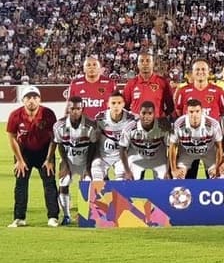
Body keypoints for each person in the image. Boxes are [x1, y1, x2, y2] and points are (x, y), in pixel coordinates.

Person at [7, 86, 60, 228]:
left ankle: (53, 217)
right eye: (28, 97)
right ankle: (19, 218)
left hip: (45, 152)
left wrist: (49, 159)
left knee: (49, 184)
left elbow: (54, 138)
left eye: (35, 97)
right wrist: (19, 160)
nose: (31, 100)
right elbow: (11, 138)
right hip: (24, 152)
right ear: (22, 100)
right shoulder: (15, 115)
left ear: (40, 99)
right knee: (20, 184)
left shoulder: (48, 114)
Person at [174, 58, 224, 179]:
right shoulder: (183, 91)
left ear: (209, 72)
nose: (200, 72)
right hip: (188, 144)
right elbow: (178, 111)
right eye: (197, 69)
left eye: (203, 69)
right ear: (192, 72)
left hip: (210, 143)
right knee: (187, 178)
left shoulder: (218, 91)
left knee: (215, 178)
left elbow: (223, 113)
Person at [52, 96, 98, 225]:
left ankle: (84, 214)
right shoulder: (59, 125)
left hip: (85, 161)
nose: (75, 111)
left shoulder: (91, 126)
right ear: (68, 109)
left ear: (82, 109)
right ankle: (66, 216)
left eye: (78, 108)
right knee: (63, 183)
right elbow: (60, 145)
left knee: (88, 185)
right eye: (72, 108)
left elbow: (93, 147)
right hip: (69, 161)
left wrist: (88, 167)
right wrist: (65, 164)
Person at [169, 99, 224, 180]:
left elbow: (219, 147)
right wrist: (174, 170)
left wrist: (217, 168)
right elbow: (172, 147)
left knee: (221, 177)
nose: (194, 115)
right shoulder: (178, 124)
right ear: (186, 112)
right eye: (191, 112)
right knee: (177, 178)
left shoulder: (213, 124)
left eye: (197, 111)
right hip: (186, 154)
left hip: (209, 153)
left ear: (202, 111)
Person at [119, 101, 171, 180]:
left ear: (154, 114)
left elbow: (171, 148)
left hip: (158, 157)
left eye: (150, 113)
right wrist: (127, 171)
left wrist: (168, 170)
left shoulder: (163, 127)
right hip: (137, 158)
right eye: (143, 113)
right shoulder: (130, 128)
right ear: (139, 113)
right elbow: (122, 149)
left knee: (164, 182)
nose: (146, 116)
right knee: (131, 181)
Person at [90, 91, 136, 181]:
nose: (116, 106)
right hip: (104, 157)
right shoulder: (100, 118)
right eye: (113, 103)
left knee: (121, 184)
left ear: (123, 104)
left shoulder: (131, 119)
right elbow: (95, 140)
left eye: (119, 103)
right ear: (108, 104)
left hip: (122, 158)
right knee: (97, 183)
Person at [123, 53, 174, 118]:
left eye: (148, 61)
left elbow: (170, 106)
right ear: (138, 64)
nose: (145, 64)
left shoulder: (162, 82)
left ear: (153, 64)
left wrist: (162, 117)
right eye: (141, 61)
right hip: (137, 124)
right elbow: (125, 106)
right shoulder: (131, 84)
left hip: (157, 124)